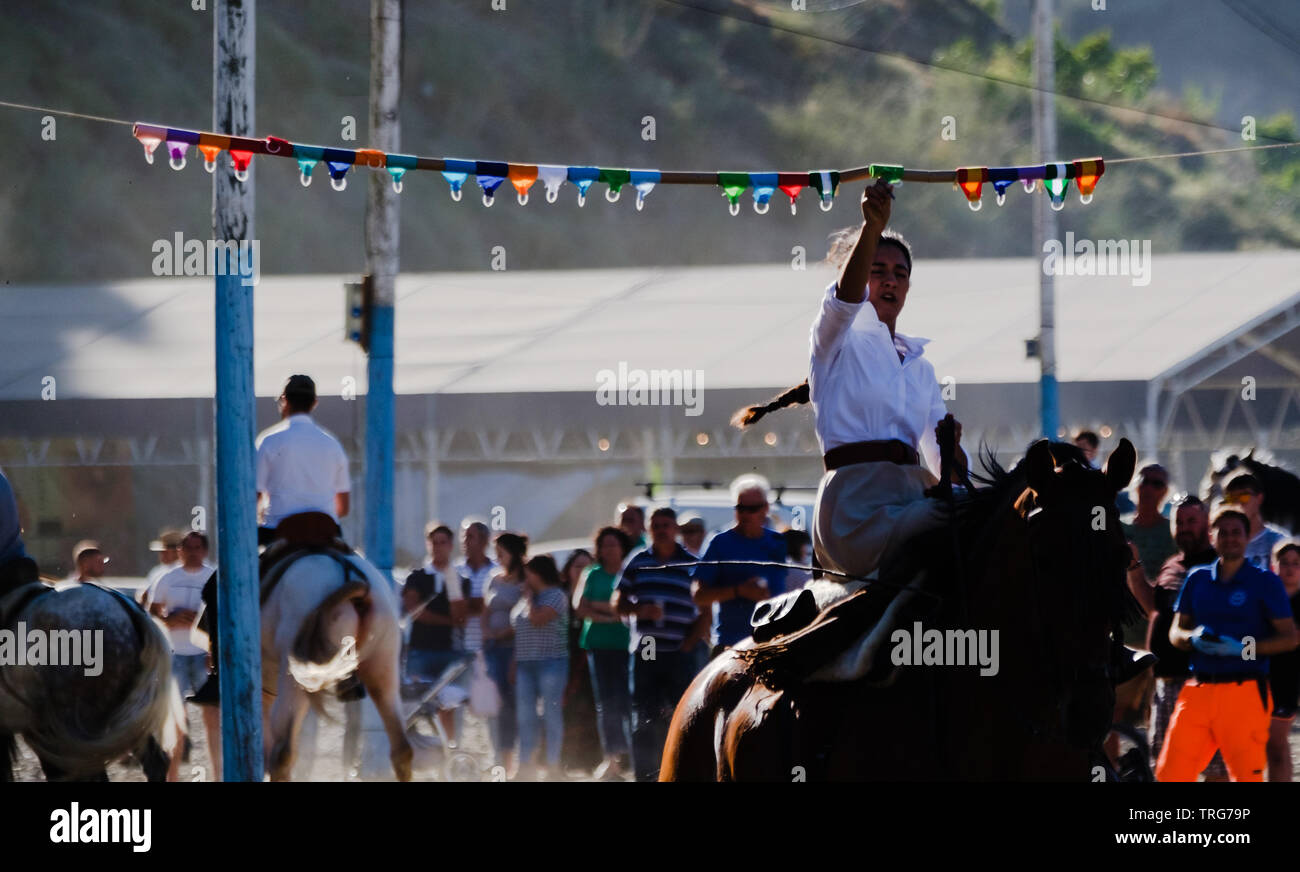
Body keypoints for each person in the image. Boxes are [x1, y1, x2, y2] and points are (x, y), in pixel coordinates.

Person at [729, 181, 967, 583]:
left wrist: (953, 446)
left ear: (908, 287)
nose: (890, 281)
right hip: (855, 505)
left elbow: (952, 472)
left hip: (914, 495)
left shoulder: (921, 368)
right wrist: (871, 228)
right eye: (878, 271)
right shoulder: (834, 338)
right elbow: (845, 299)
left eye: (899, 274)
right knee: (937, 529)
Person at [1156, 509, 1298, 782]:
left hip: (1244, 691)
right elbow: (1176, 631)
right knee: (1171, 774)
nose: (1230, 538)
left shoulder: (1265, 581)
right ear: (1212, 536)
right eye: (1223, 532)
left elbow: (1289, 637)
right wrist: (1192, 638)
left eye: (1237, 532)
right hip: (1198, 690)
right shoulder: (1197, 578)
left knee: (1247, 777)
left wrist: (1241, 648)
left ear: (1247, 538)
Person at [615, 507, 707, 781]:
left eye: (667, 524)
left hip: (681, 651)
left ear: (675, 529)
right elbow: (618, 602)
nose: (661, 529)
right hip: (647, 649)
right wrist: (639, 610)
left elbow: (706, 610)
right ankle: (645, 775)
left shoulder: (692, 562)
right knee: (644, 717)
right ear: (649, 529)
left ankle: (678, 772)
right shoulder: (638, 560)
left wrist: (689, 644)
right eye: (656, 525)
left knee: (682, 715)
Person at [1147, 496, 1227, 779]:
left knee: (1216, 770)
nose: (1184, 528)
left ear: (1207, 524)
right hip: (1166, 684)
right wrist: (1132, 570)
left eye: (1191, 521)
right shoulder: (1170, 566)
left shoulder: (1220, 565)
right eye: (1179, 522)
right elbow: (1154, 610)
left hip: (1208, 682)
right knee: (1167, 769)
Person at [693, 476, 788, 652]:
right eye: (740, 508)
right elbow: (699, 595)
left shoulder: (778, 542)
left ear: (765, 508)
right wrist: (739, 591)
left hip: (772, 643)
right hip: (731, 646)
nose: (745, 514)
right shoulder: (719, 542)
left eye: (752, 509)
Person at [255, 374, 350, 544]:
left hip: (276, 530)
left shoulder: (268, 441)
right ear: (314, 402)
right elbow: (343, 508)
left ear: (284, 400)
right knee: (357, 568)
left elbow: (254, 497)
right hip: (327, 530)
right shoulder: (333, 444)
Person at [574, 527, 633, 780]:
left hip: (627, 646)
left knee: (628, 703)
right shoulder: (592, 573)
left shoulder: (629, 571)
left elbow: (630, 608)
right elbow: (579, 607)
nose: (609, 549)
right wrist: (609, 613)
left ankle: (634, 757)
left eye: (614, 544)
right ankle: (612, 760)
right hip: (599, 646)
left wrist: (600, 609)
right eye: (605, 545)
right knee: (606, 704)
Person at [401, 523, 467, 744]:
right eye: (434, 542)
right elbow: (416, 612)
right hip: (421, 651)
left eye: (443, 542)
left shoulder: (458, 578)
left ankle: (449, 748)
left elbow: (461, 617)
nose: (438, 548)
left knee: (448, 706)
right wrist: (448, 621)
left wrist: (451, 582)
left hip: (449, 652)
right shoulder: (417, 577)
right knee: (414, 705)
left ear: (450, 545)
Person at [511, 554, 570, 780]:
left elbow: (537, 619)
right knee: (526, 716)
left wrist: (527, 598)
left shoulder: (556, 595)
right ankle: (526, 764)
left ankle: (553, 765)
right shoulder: (529, 597)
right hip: (526, 663)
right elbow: (519, 631)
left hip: (551, 662)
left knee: (550, 713)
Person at [147, 531, 215, 701]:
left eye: (197, 548)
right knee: (174, 706)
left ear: (205, 551)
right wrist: (169, 620)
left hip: (205, 654)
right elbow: (151, 613)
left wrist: (201, 622)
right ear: (180, 551)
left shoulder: (214, 577)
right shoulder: (167, 578)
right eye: (188, 548)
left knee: (210, 706)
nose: (192, 552)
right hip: (174, 652)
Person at [482, 531, 525, 774]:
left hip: (514, 649)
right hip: (493, 650)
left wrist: (501, 634)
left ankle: (517, 760)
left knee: (514, 705)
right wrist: (487, 632)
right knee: (496, 707)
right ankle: (500, 758)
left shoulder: (524, 581)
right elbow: (486, 610)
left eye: (501, 551)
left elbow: (523, 617)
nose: (497, 556)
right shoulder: (494, 579)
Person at [1121, 464, 1176, 645]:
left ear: (1165, 491)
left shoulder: (1175, 532)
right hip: (1123, 635)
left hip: (1159, 635)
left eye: (1157, 484)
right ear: (1135, 485)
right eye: (1144, 481)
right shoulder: (1118, 529)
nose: (1148, 488)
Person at [558, 549, 601, 774]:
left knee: (592, 707)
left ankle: (592, 761)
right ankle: (567, 759)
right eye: (577, 566)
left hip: (590, 656)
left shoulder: (595, 594)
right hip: (564, 659)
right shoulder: (560, 596)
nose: (582, 571)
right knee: (567, 708)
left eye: (587, 566)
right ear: (567, 571)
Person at [1267, 541, 1300, 781]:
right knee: (1273, 748)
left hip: (1289, 682)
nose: (1289, 568)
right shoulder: (1263, 599)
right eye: (1284, 562)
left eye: (1296, 564)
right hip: (1259, 679)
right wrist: (1245, 661)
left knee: (1276, 744)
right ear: (1274, 565)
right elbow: (1246, 635)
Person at [1221, 473, 1289, 571]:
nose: (1238, 503)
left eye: (1244, 497)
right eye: (1231, 499)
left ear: (1259, 498)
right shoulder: (1223, 543)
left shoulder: (1279, 541)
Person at [455, 518, 497, 657]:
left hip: (491, 646)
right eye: (463, 537)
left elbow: (494, 606)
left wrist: (469, 605)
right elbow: (454, 608)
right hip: (462, 647)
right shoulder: (455, 571)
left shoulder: (497, 571)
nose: (464, 542)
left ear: (484, 540)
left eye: (470, 537)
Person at [140, 528, 184, 606]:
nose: (161, 554)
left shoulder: (181, 570)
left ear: (176, 552)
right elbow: (143, 598)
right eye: (161, 552)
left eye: (165, 551)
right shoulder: (157, 571)